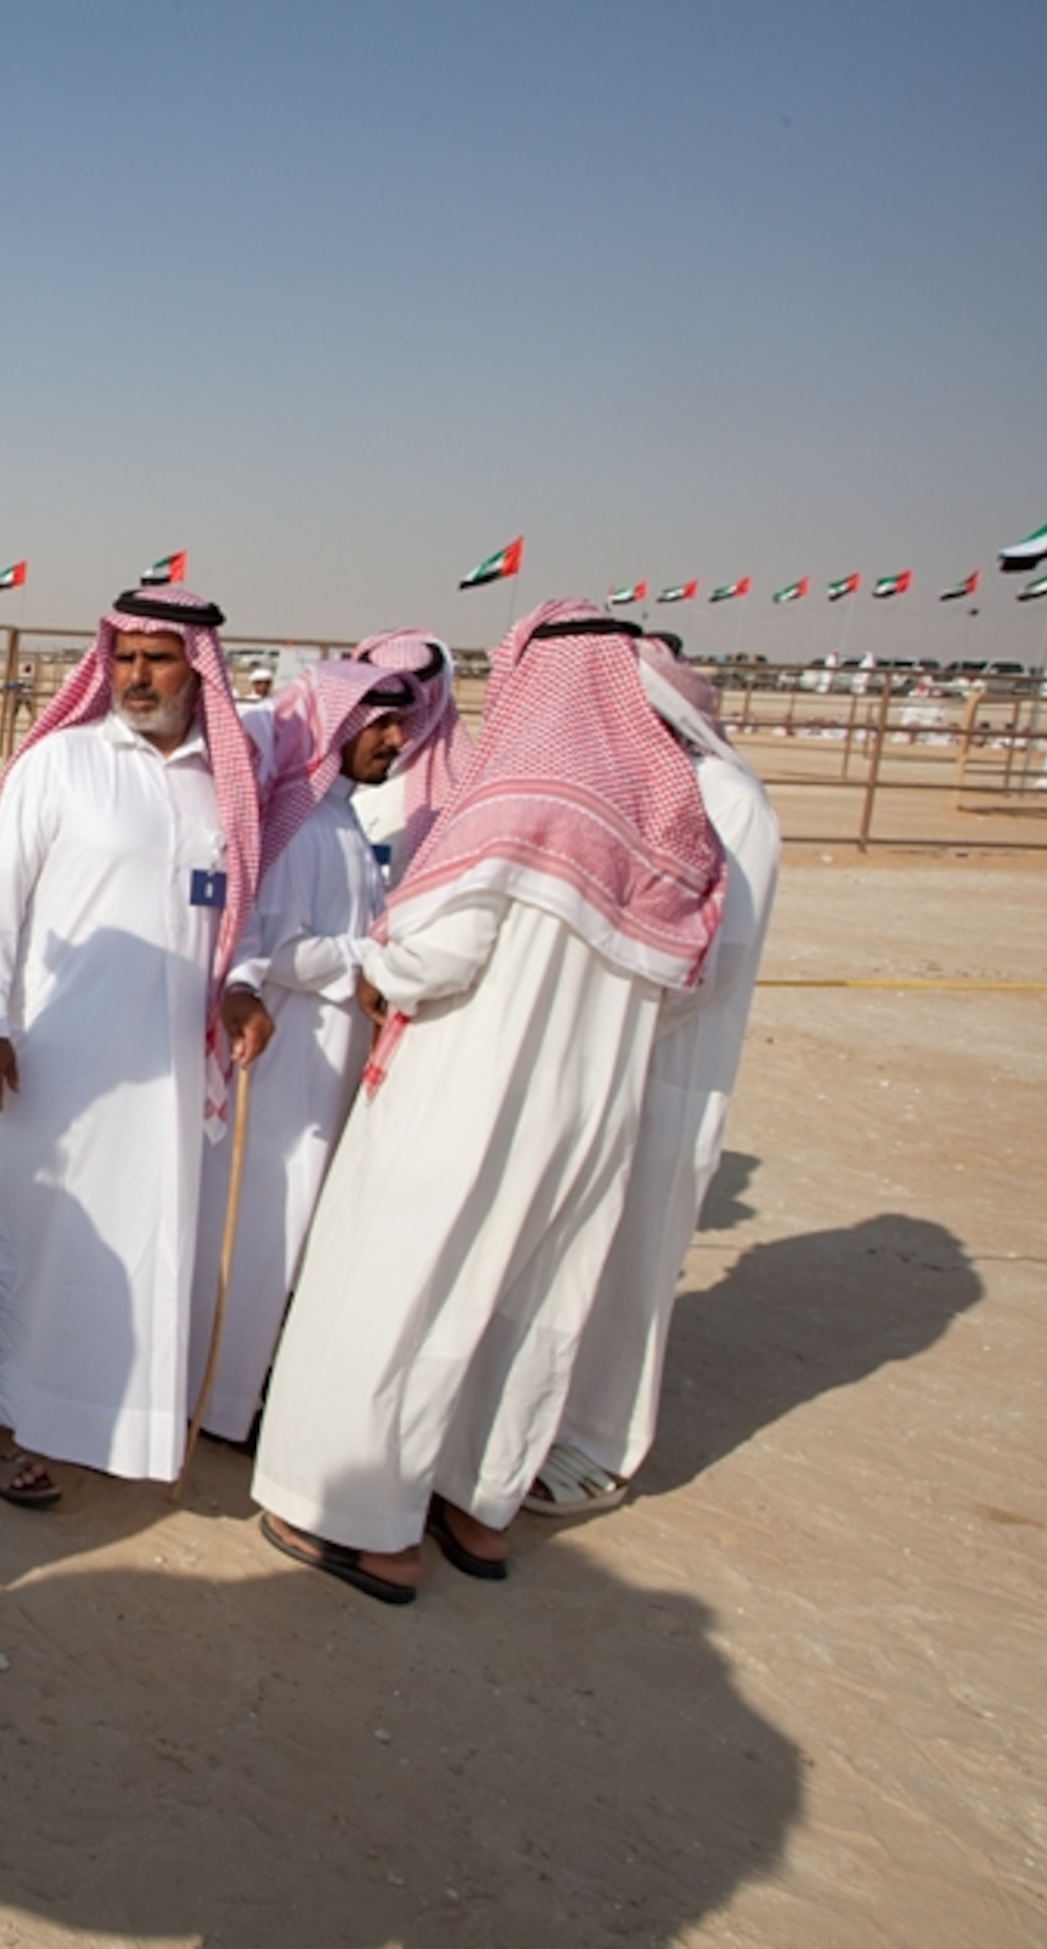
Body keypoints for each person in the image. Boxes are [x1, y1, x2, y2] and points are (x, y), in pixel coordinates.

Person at [250, 601, 723, 1604]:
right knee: (534, 1294)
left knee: (405, 1290)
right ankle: (480, 1509)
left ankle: (363, 1526)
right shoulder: (667, 818)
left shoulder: (524, 796)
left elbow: (435, 954)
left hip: (466, 1097)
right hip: (589, 1107)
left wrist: (371, 958)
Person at [0, 587, 269, 1503]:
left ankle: (106, 1425)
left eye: (157, 658)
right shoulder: (62, 765)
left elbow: (243, 915)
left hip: (165, 1075)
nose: (137, 675)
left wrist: (243, 987)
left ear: (196, 668)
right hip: (52, 1066)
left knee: (142, 1247)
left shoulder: (219, 787)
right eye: (124, 657)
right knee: (31, 1239)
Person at [528, 636, 780, 1514]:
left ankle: (598, 1448)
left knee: (633, 1264)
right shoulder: (640, 789)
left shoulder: (727, 801)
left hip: (663, 1071)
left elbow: (708, 966)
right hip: (598, 1063)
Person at [187, 658, 426, 1446]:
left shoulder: (344, 817)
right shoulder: (300, 825)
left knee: (289, 1230)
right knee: (262, 1227)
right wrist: (367, 959)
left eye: (399, 723)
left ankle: (238, 1392)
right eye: (380, 723)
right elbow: (274, 949)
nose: (396, 739)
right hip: (285, 1064)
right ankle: (219, 1403)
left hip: (324, 1065)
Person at [346, 629, 461, 881]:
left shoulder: (456, 789)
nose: (396, 736)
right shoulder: (326, 781)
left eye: (405, 714)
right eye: (380, 717)